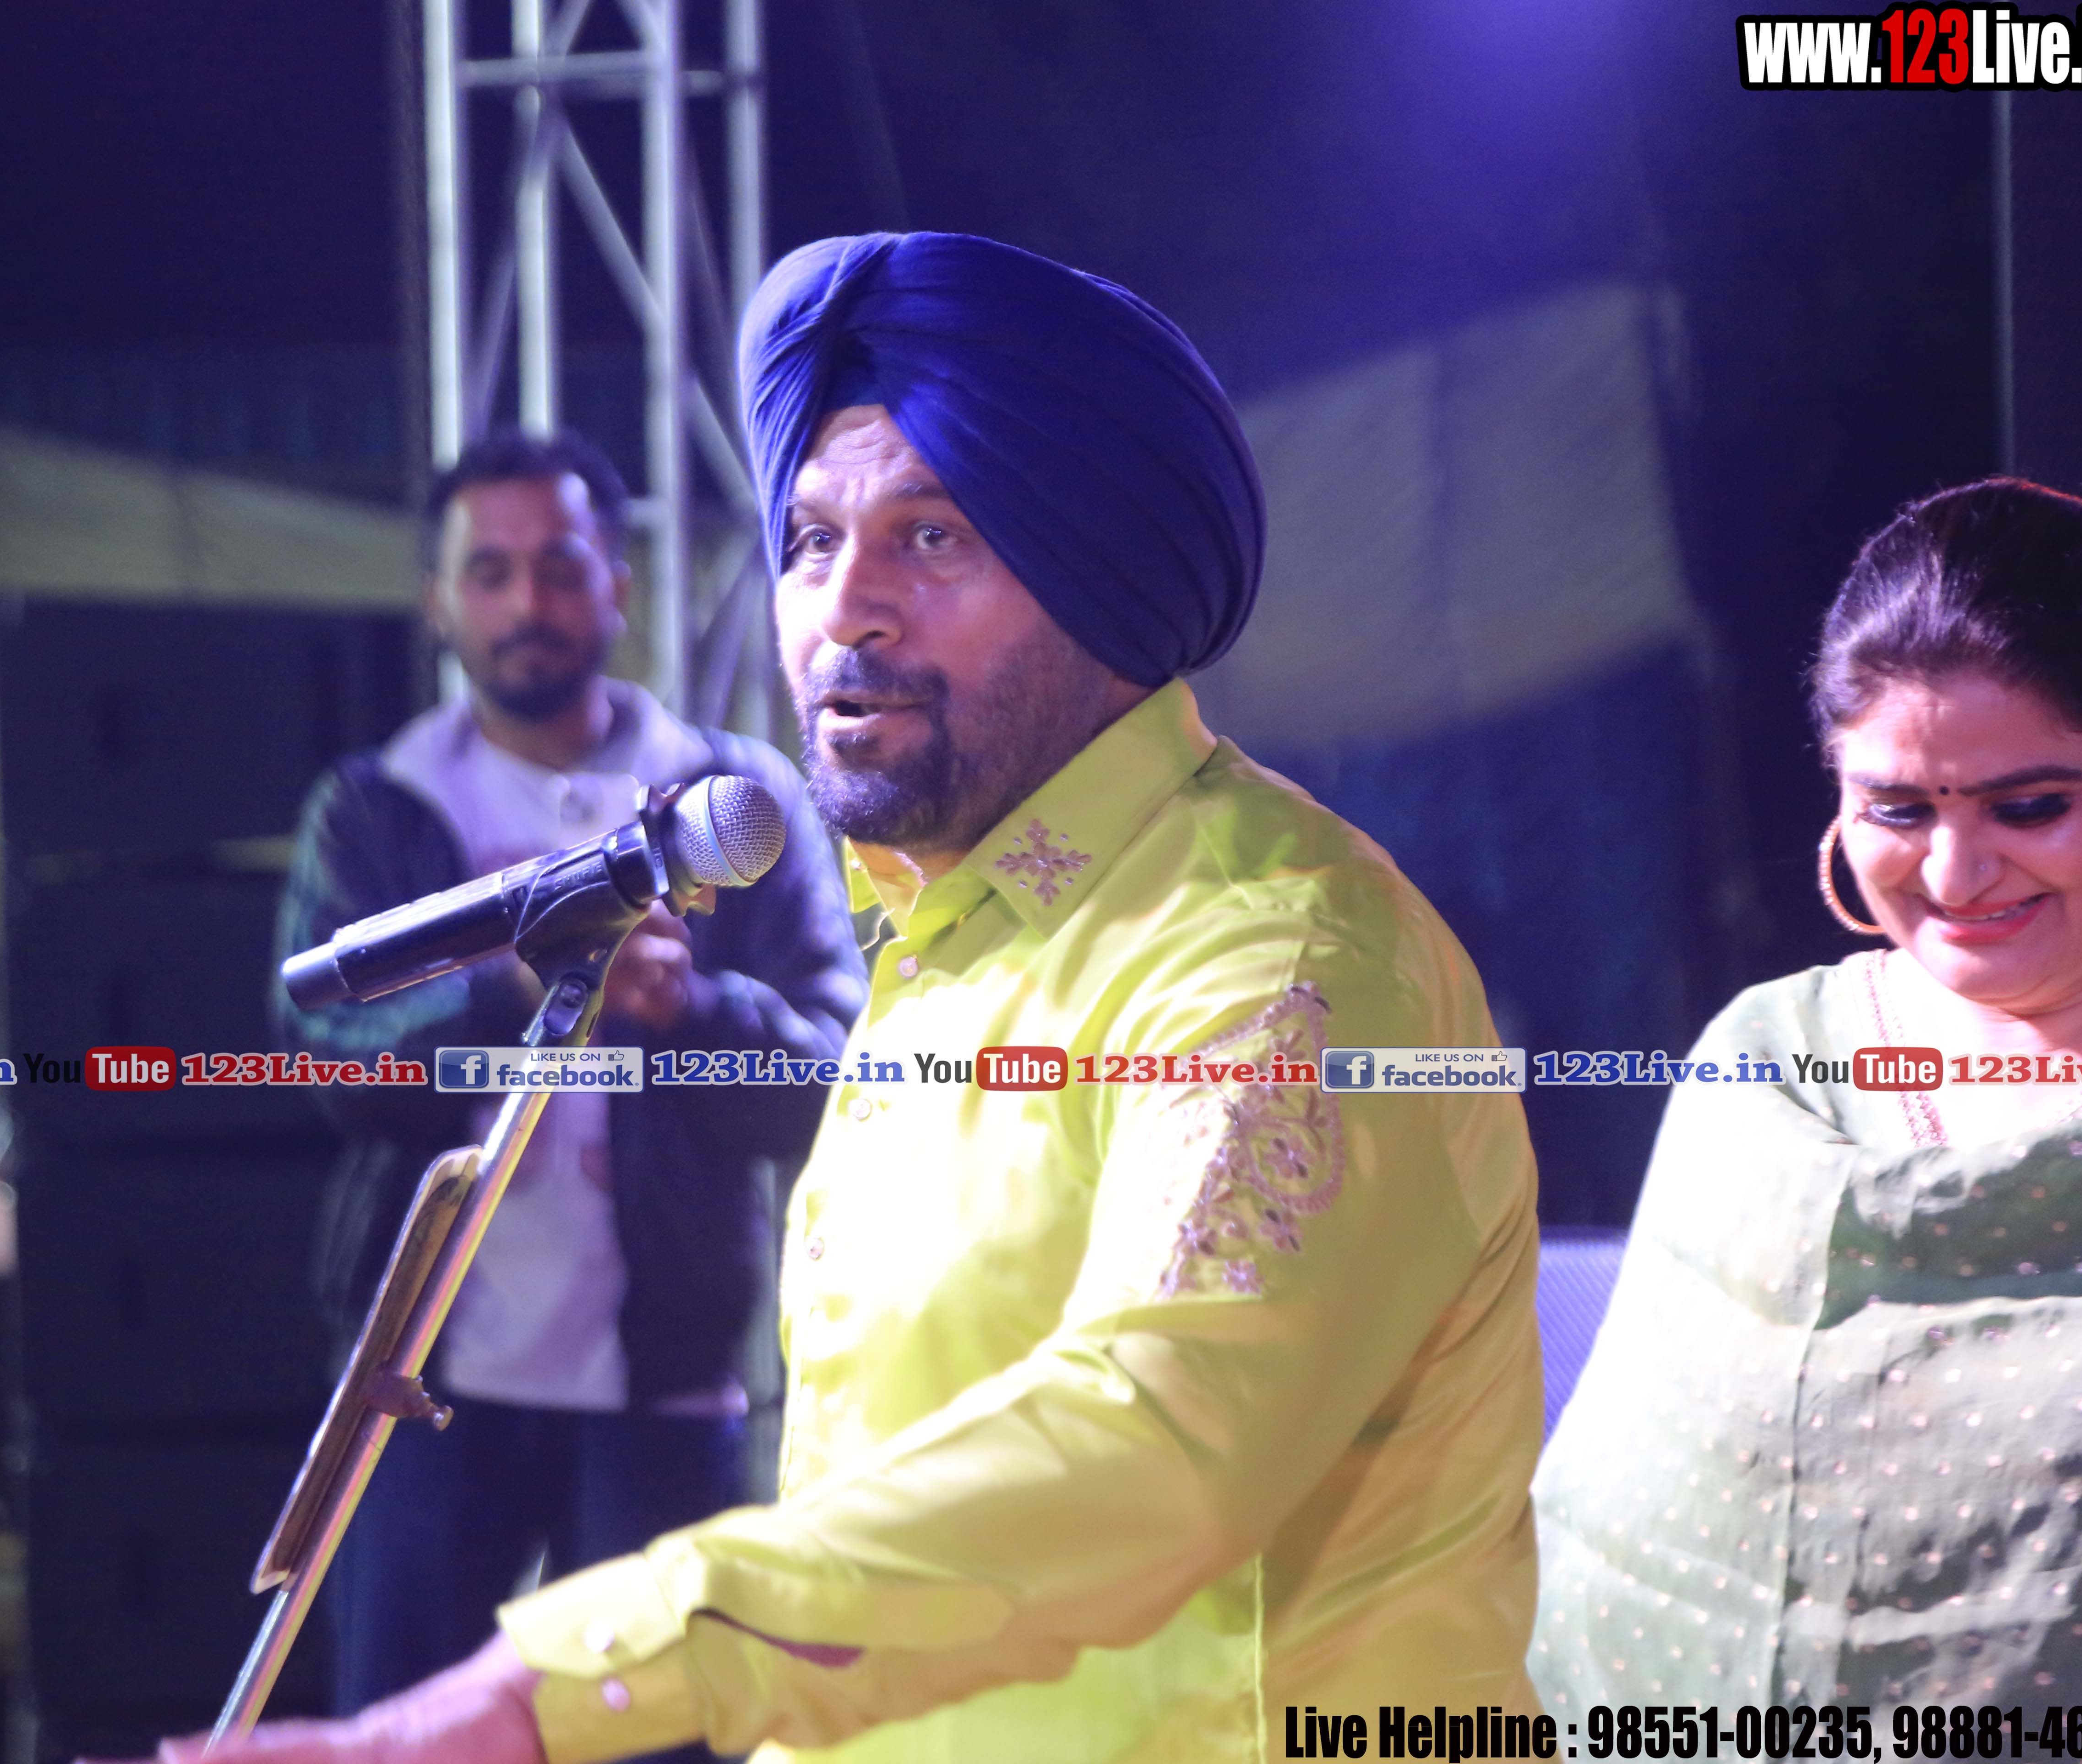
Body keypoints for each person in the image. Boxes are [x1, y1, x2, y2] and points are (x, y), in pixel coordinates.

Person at [168, 232, 1545, 1764]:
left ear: (1098, 576)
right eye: (811, 540)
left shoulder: (1278, 960)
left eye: (933, 536)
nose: (846, 608)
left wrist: (521, 1700)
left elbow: (1152, 1443)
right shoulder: (939, 939)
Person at [1533, 480, 2082, 1710]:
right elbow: (1626, 1530)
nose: (1957, 871)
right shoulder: (1770, 1065)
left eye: (2030, 807)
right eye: (1897, 809)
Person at [270, 427, 867, 1747]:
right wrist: (512, 991)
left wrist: (684, 1009)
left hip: (670, 1377)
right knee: (406, 1733)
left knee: (663, 1733)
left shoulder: (737, 796)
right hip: (426, 1378)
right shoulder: (378, 806)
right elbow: (325, 1059)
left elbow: (833, 1081)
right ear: (437, 602)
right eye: (489, 573)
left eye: (559, 566)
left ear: (619, 587)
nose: (526, 603)